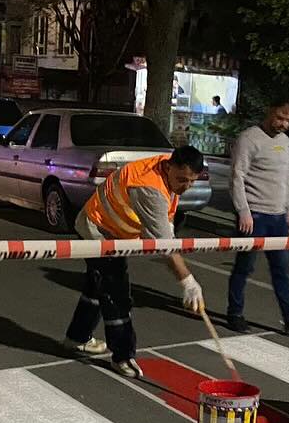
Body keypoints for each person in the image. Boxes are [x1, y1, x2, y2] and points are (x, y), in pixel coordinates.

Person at [64, 146, 208, 378]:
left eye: (192, 181)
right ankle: (123, 356)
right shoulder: (148, 186)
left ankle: (77, 337)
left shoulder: (167, 166)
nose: (186, 186)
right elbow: (165, 246)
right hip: (99, 231)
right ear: (170, 168)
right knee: (116, 292)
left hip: (113, 230)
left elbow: (164, 220)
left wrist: (165, 227)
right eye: (182, 180)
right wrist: (187, 280)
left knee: (97, 286)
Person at [225, 101, 289, 336]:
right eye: (280, 118)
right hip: (255, 215)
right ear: (270, 112)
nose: (283, 124)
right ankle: (235, 313)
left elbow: (288, 179)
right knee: (244, 267)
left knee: (282, 270)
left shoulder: (285, 143)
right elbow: (237, 176)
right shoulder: (249, 139)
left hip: (278, 217)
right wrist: (243, 211)